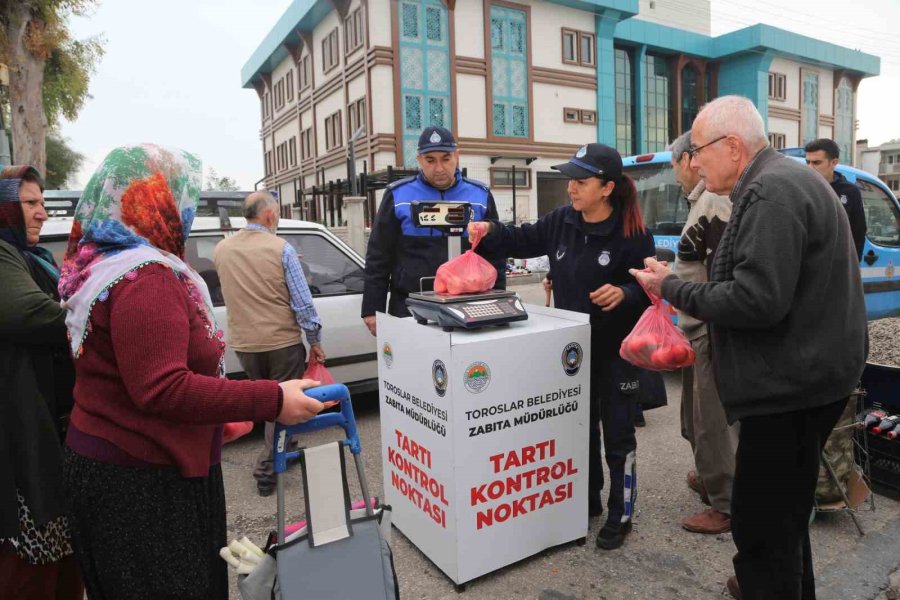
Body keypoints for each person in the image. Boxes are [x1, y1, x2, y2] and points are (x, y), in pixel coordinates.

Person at [59, 144, 328, 600]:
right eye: (183, 196)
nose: (186, 210)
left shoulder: (104, 263)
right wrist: (274, 400)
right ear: (155, 201)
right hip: (141, 484)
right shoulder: (146, 277)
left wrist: (214, 414)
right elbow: (162, 388)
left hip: (120, 466)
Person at [632, 96, 867, 600]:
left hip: (791, 390)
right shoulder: (776, 181)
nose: (693, 162)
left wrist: (671, 288)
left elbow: (757, 299)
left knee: (761, 528)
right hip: (807, 377)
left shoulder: (770, 192)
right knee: (783, 521)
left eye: (698, 151)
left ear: (732, 146)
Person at [469, 143, 655, 550]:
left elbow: (650, 288)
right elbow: (520, 239)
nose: (571, 188)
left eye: (581, 181)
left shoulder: (633, 234)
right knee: (577, 429)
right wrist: (489, 231)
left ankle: (620, 512)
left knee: (619, 435)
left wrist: (626, 293)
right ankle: (585, 499)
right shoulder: (561, 221)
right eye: (570, 179)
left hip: (616, 352)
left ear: (606, 188)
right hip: (571, 353)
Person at [0, 166, 83, 599]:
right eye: (29, 203)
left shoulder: (33, 257)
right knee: (30, 561)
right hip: (20, 428)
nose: (42, 213)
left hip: (51, 420)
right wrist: (95, 310)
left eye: (40, 203)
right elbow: (29, 313)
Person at [214, 191, 325, 497]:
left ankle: (283, 451)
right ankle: (266, 470)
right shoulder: (281, 249)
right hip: (281, 342)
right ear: (269, 216)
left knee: (267, 400)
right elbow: (303, 304)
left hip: (245, 345)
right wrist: (314, 340)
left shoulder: (222, 249)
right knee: (281, 406)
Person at [361, 126, 505, 335]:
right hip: (409, 309)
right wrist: (372, 309)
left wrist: (499, 302)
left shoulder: (480, 196)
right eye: (430, 160)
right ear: (419, 159)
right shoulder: (398, 196)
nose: (439, 168)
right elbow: (378, 256)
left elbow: (495, 254)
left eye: (446, 158)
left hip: (468, 309)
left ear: (457, 156)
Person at [666, 130, 737, 535]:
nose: (679, 174)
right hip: (696, 325)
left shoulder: (714, 200)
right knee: (695, 418)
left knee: (712, 420)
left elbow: (718, 270)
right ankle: (712, 478)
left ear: (688, 159)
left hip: (710, 326)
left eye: (676, 165)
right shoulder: (700, 201)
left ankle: (726, 502)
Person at [804, 138, 867, 261]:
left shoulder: (850, 191)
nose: (810, 168)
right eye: (808, 162)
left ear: (834, 162)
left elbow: (858, 232)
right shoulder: (800, 187)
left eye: (816, 163)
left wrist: (853, 266)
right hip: (805, 266)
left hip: (837, 266)